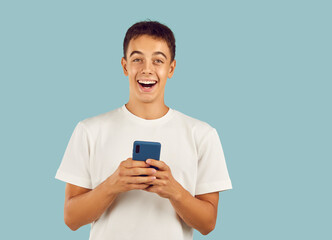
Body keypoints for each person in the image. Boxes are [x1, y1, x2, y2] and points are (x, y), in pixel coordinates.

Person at [55, 20, 232, 240]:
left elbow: (208, 224)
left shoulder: (202, 134)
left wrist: (174, 190)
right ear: (125, 66)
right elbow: (72, 219)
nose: (147, 69)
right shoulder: (89, 130)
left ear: (171, 68)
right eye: (137, 59)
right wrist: (113, 184)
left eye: (158, 60)